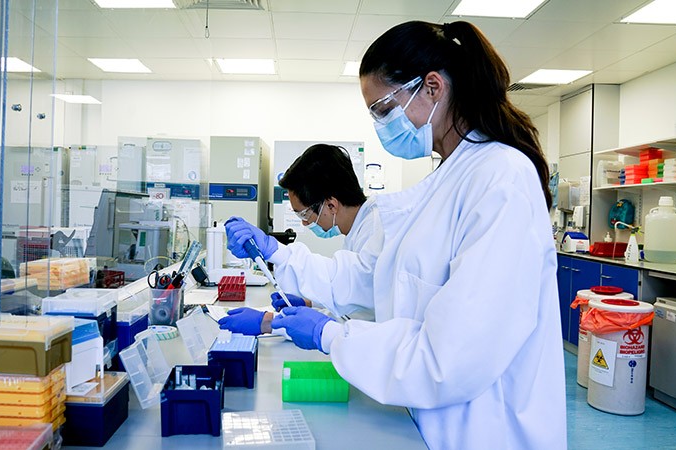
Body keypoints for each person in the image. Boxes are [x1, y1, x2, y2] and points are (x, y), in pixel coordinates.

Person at [269, 21, 567, 449]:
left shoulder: (500, 178)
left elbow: (452, 356)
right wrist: (284, 261)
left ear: (432, 88)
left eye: (384, 109)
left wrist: (331, 335)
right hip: (431, 423)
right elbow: (382, 281)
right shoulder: (451, 175)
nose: (381, 126)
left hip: (485, 431)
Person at [218, 143, 382, 335]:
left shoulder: (378, 231)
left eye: (303, 214)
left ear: (331, 205)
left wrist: (270, 322)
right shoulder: (362, 227)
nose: (304, 224)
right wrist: (309, 303)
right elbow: (353, 301)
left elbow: (363, 319)